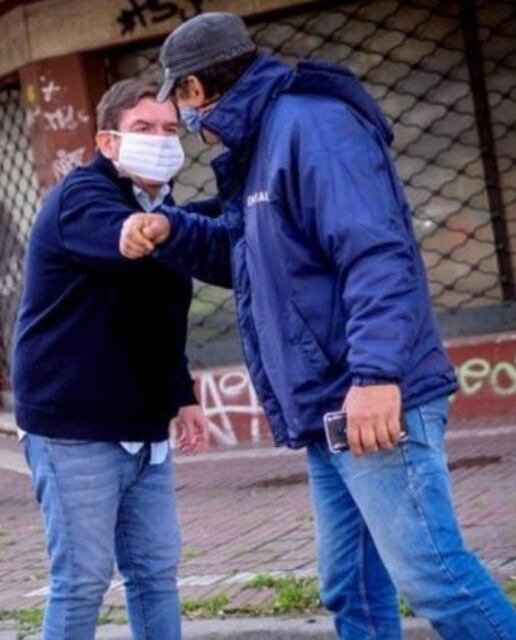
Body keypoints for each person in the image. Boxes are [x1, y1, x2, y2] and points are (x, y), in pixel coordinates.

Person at [120, 12, 516, 639]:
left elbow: (376, 253)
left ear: (195, 90)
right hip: (330, 409)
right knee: (350, 586)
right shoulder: (264, 141)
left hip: (370, 399)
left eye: (180, 104)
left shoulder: (310, 125)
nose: (185, 125)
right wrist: (173, 230)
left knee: (433, 576)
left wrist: (377, 376)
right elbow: (250, 251)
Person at [12, 76, 229, 640]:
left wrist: (181, 398)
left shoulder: (166, 207)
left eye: (165, 128)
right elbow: (112, 231)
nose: (158, 138)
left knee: (156, 573)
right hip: (74, 428)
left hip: (143, 428)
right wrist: (134, 231)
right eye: (141, 129)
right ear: (109, 143)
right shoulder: (82, 195)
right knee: (83, 580)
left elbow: (161, 315)